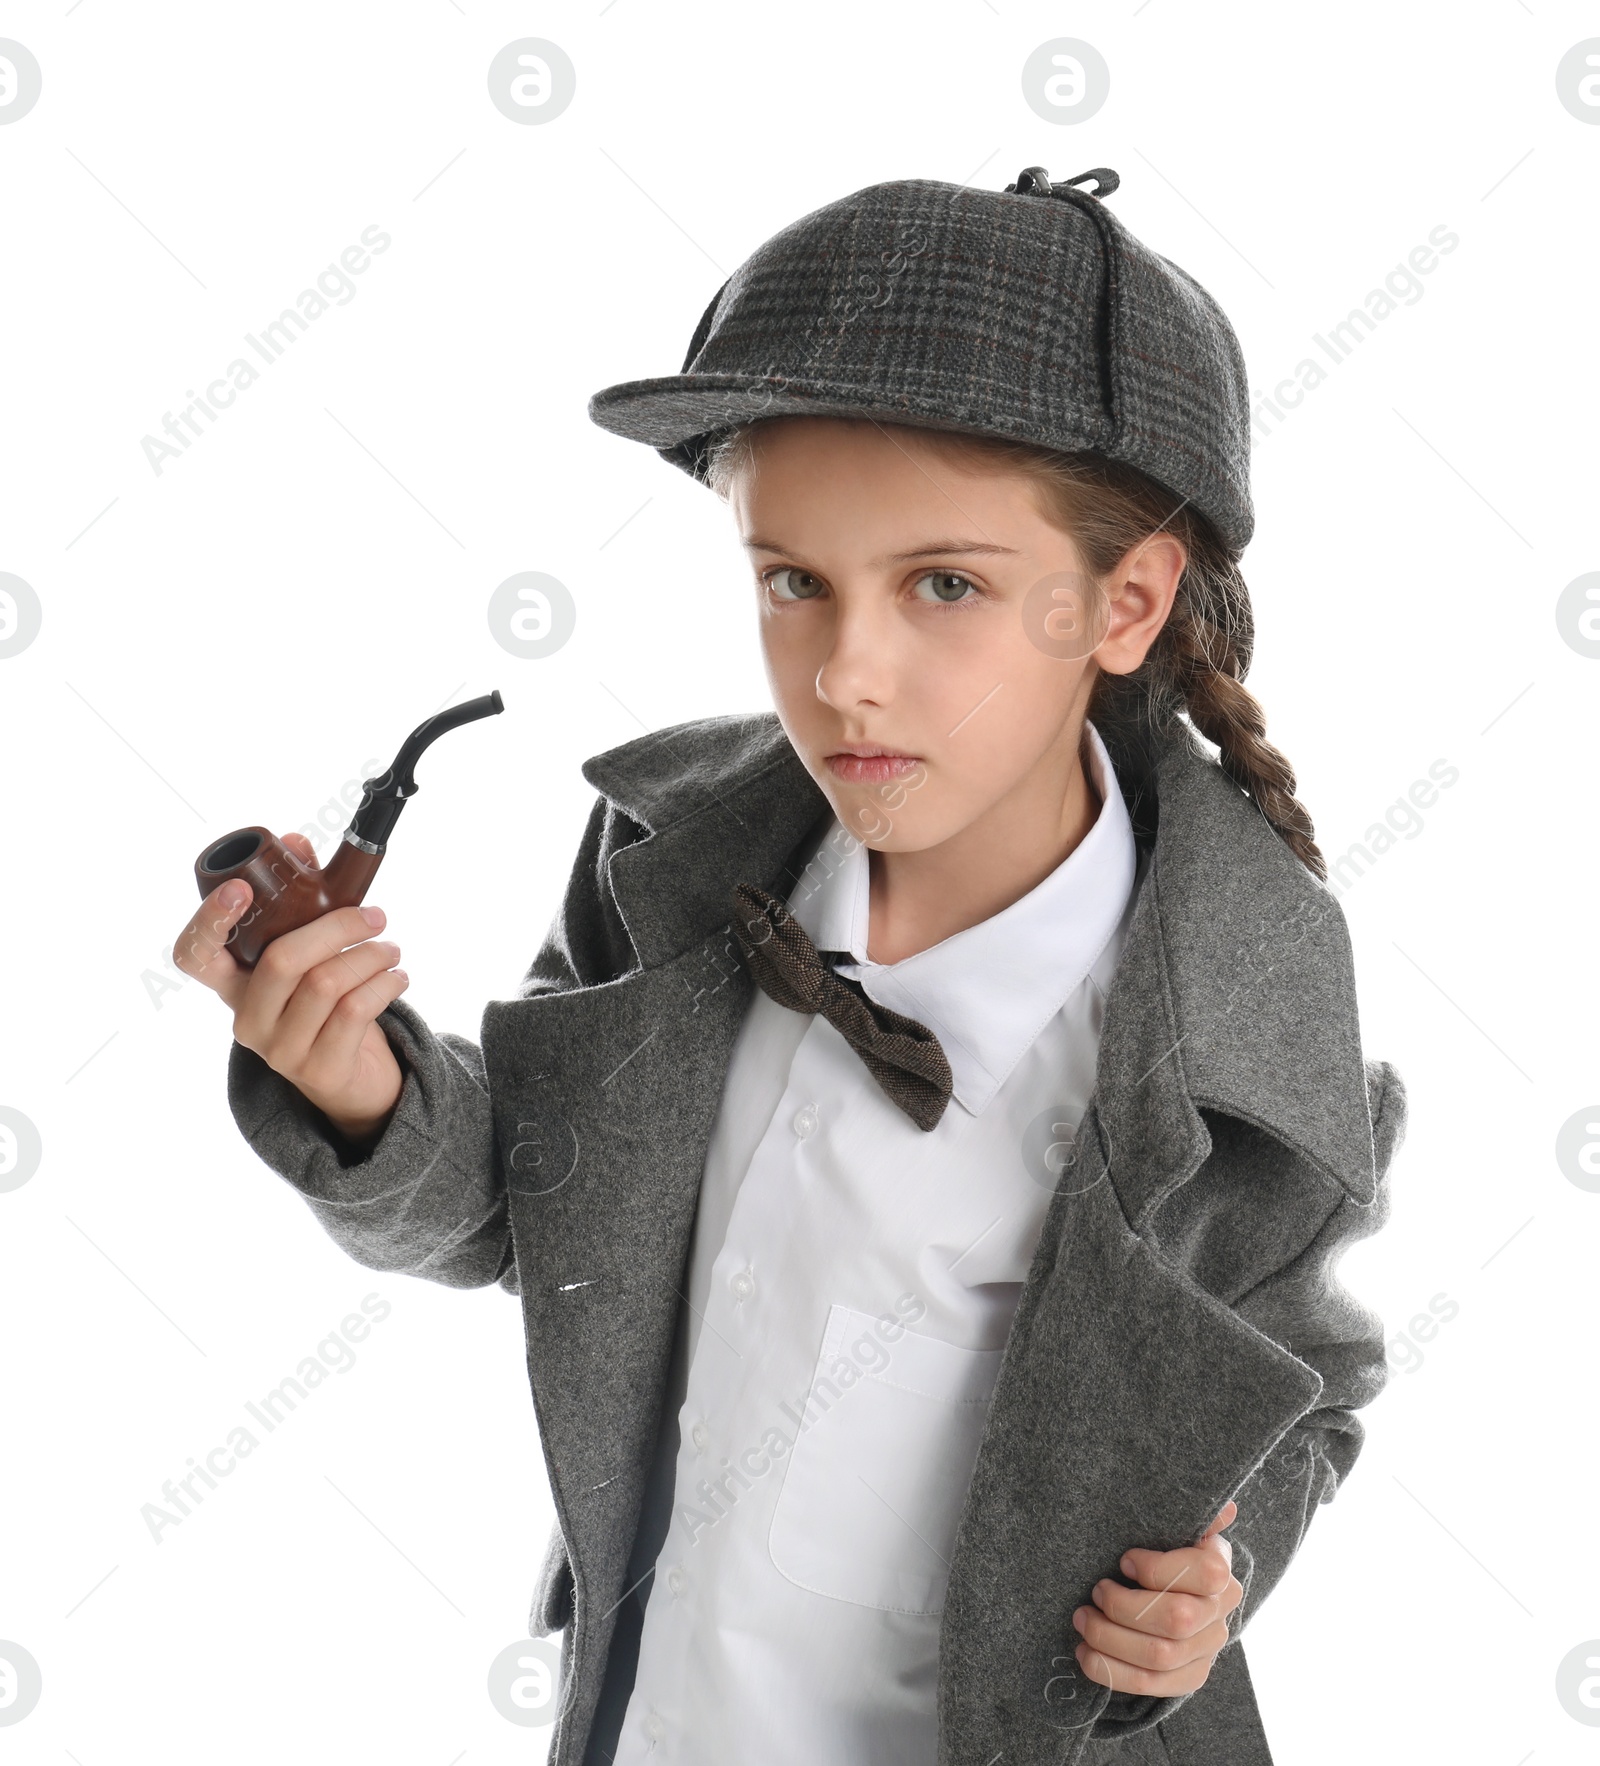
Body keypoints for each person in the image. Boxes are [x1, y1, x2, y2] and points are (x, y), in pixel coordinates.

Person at [173, 165, 1406, 1765]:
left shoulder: (1242, 1039)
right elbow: (528, 1198)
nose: (845, 670)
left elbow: (1303, 1380)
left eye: (943, 585)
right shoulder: (666, 866)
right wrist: (361, 1083)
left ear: (1126, 600)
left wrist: (1219, 1573)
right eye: (791, 580)